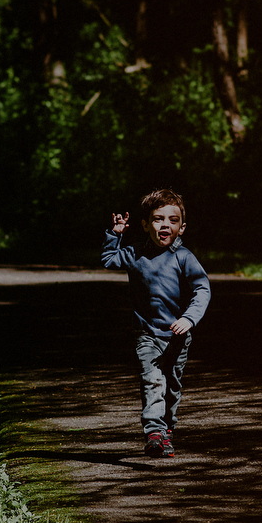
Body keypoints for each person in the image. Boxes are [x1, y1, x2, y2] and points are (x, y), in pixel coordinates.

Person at [102, 188, 212, 458]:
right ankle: (154, 432)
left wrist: (189, 318)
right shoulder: (135, 253)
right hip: (147, 334)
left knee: (172, 388)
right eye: (158, 219)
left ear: (181, 228)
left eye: (172, 220)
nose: (165, 225)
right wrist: (116, 234)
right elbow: (108, 260)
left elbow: (202, 289)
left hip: (177, 336)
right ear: (145, 224)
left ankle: (166, 432)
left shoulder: (183, 257)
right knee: (153, 382)